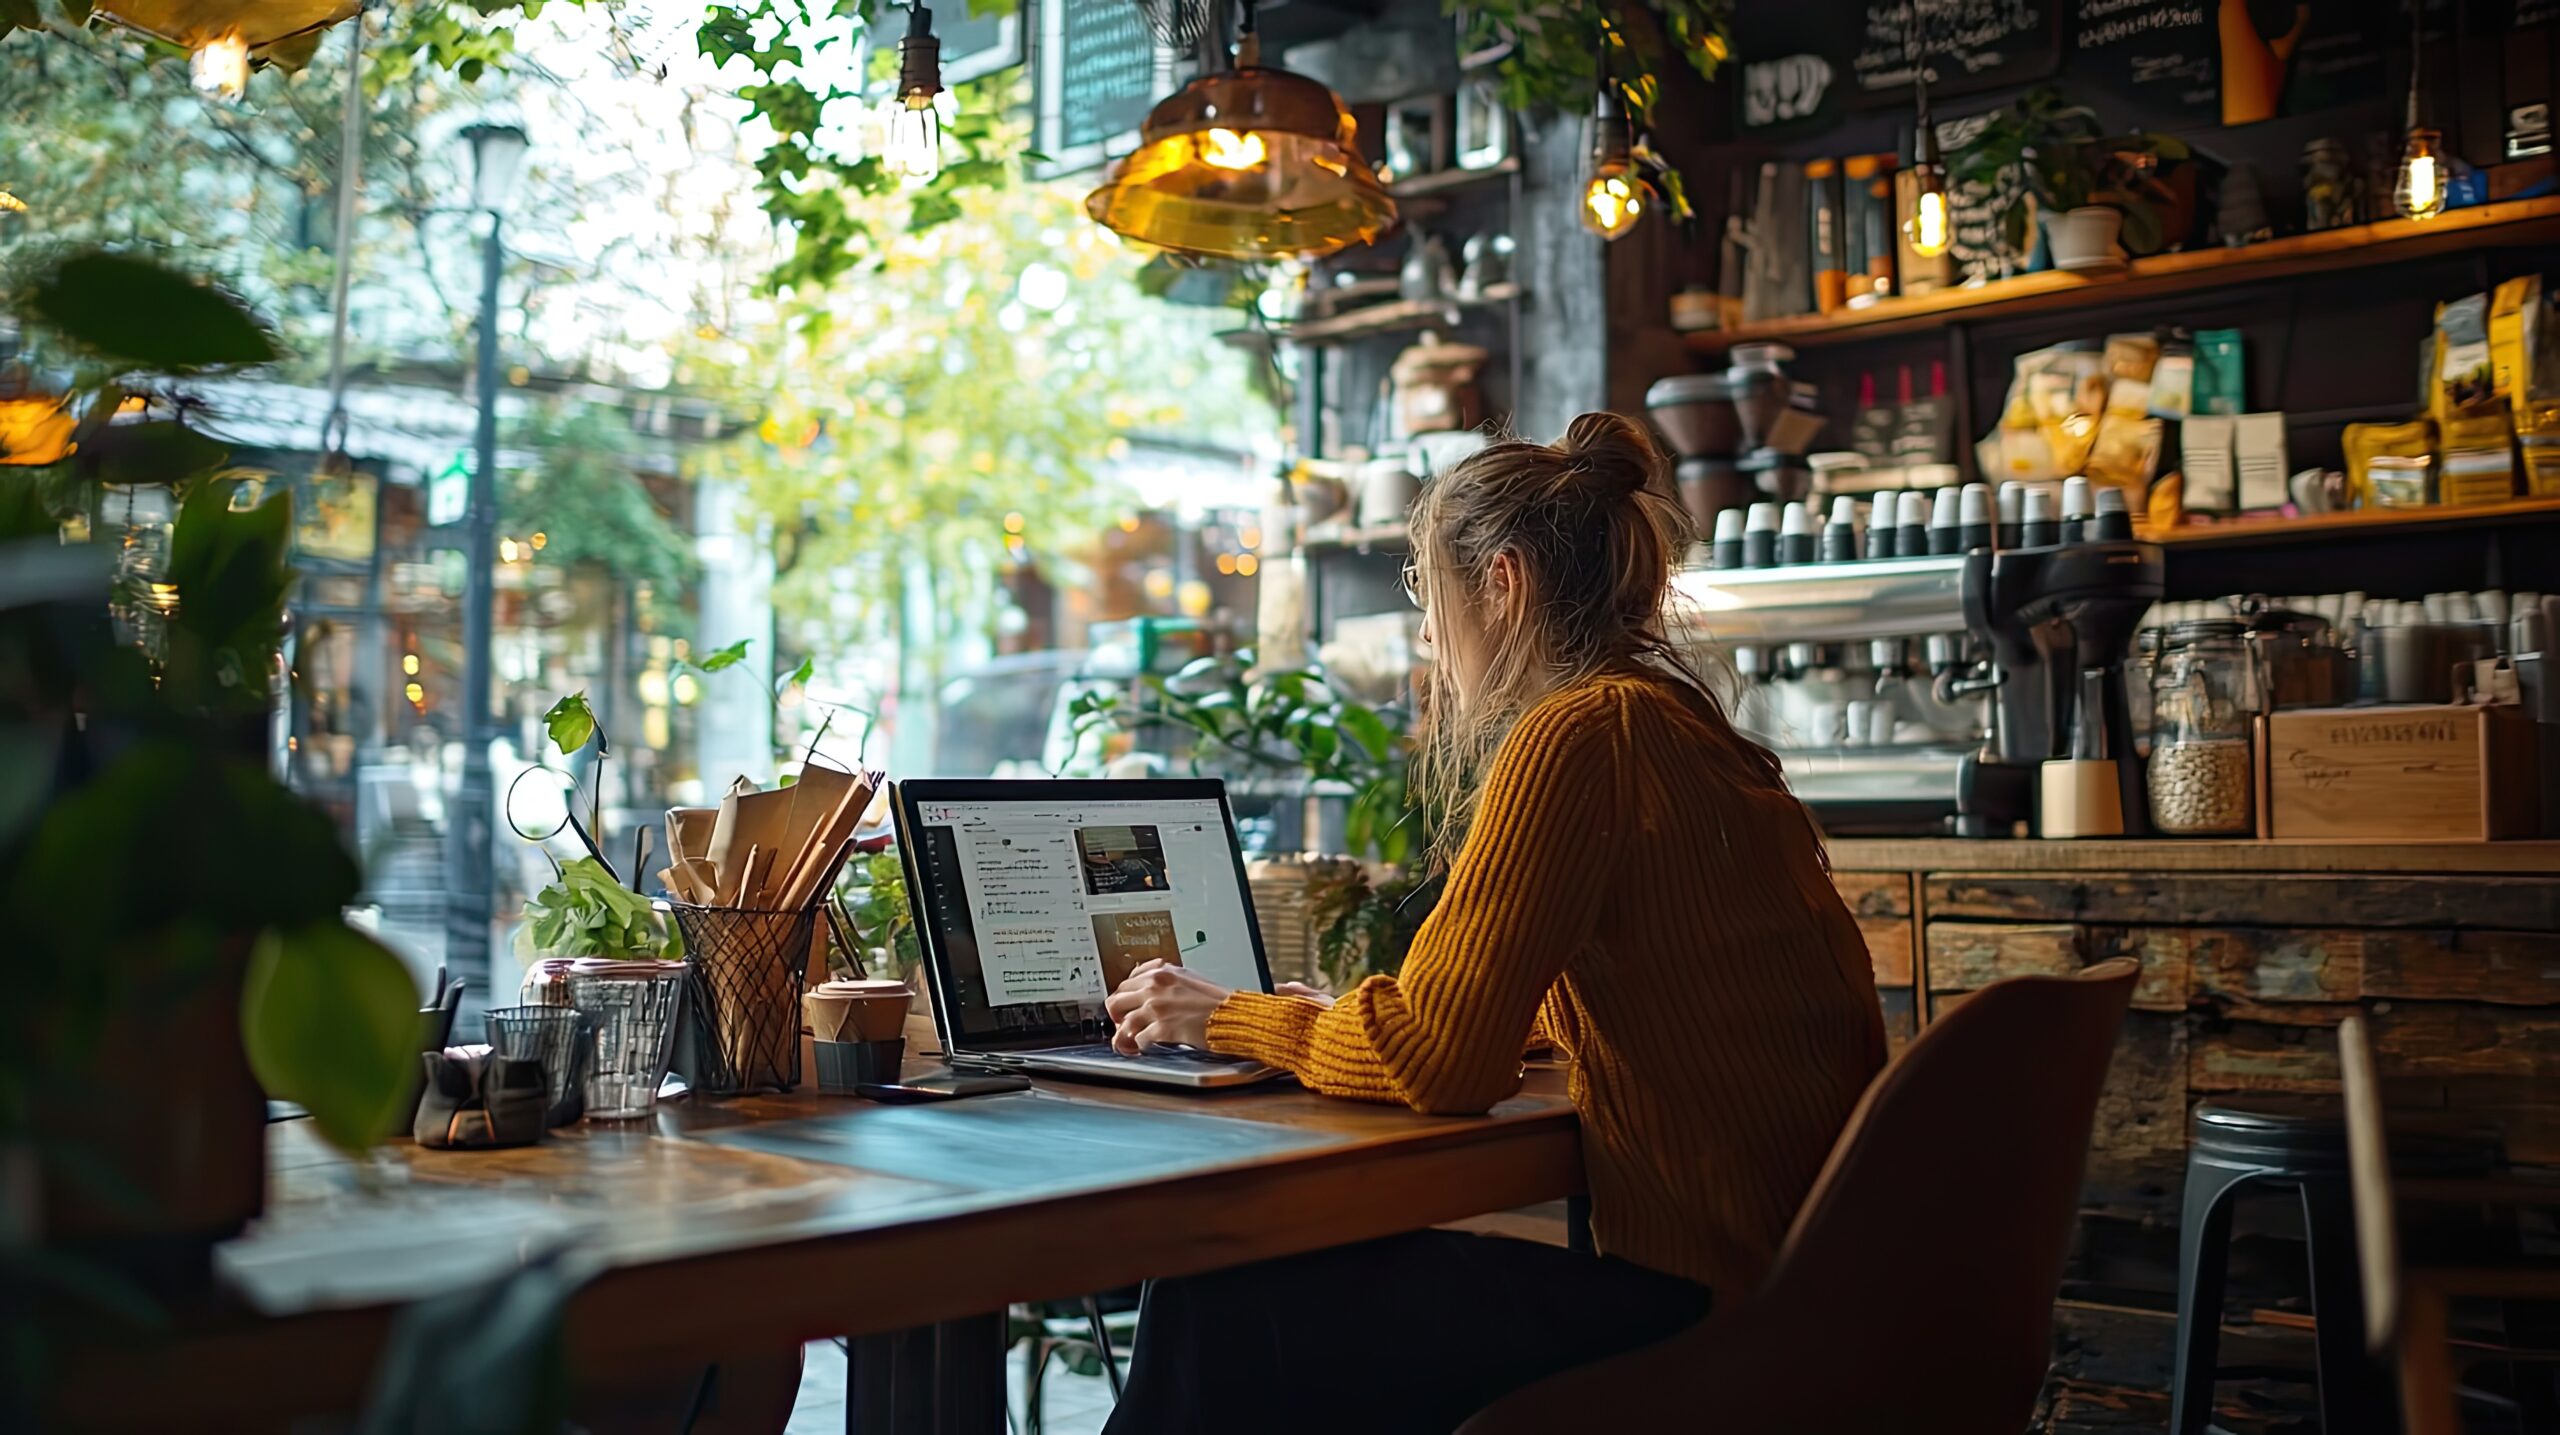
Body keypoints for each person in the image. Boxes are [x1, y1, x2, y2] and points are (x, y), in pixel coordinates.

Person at [1100, 412, 1888, 1434]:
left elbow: (1439, 1062)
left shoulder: (1578, 734)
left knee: (1219, 1290)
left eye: (1430, 599)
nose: (1429, 638)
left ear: (1502, 583)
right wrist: (1387, 1021)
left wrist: (1229, 1019)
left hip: (1707, 1316)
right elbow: (1678, 992)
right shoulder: (1682, 726)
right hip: (1820, 1300)